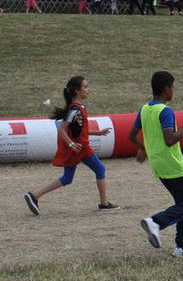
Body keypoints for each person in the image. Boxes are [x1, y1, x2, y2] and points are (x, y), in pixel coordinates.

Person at [129, 71, 183, 256]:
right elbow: (170, 139)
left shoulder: (145, 109)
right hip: (173, 165)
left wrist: (145, 149)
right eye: (172, 87)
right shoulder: (166, 111)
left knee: (182, 202)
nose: (173, 91)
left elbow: (131, 136)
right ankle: (156, 222)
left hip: (158, 165)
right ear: (166, 89)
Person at [24, 76, 119, 215]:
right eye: (85, 87)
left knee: (68, 178)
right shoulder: (75, 110)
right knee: (100, 169)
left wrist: (97, 133)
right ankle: (104, 204)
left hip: (77, 147)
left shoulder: (77, 108)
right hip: (80, 148)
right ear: (77, 91)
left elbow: (78, 130)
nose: (89, 90)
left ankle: (34, 195)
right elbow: (62, 129)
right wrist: (72, 144)